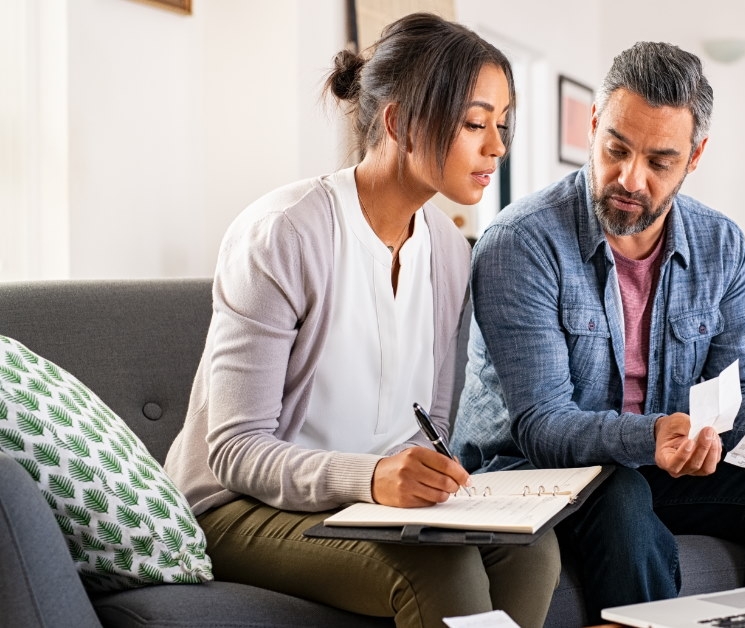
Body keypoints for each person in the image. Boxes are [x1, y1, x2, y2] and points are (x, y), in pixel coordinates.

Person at [164, 13, 559, 628]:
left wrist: (433, 481)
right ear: (399, 122)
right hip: (239, 507)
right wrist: (371, 477)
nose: (496, 147)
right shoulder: (283, 234)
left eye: (501, 126)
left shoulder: (453, 253)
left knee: (531, 551)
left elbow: (433, 421)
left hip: (370, 504)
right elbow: (235, 452)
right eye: (474, 123)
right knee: (440, 571)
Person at [452, 41, 745, 622]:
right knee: (622, 495)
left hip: (657, 462)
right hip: (529, 474)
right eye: (616, 149)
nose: (630, 178)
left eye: (659, 162)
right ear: (595, 126)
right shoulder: (522, 243)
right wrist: (653, 435)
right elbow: (541, 427)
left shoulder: (721, 244)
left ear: (694, 156)